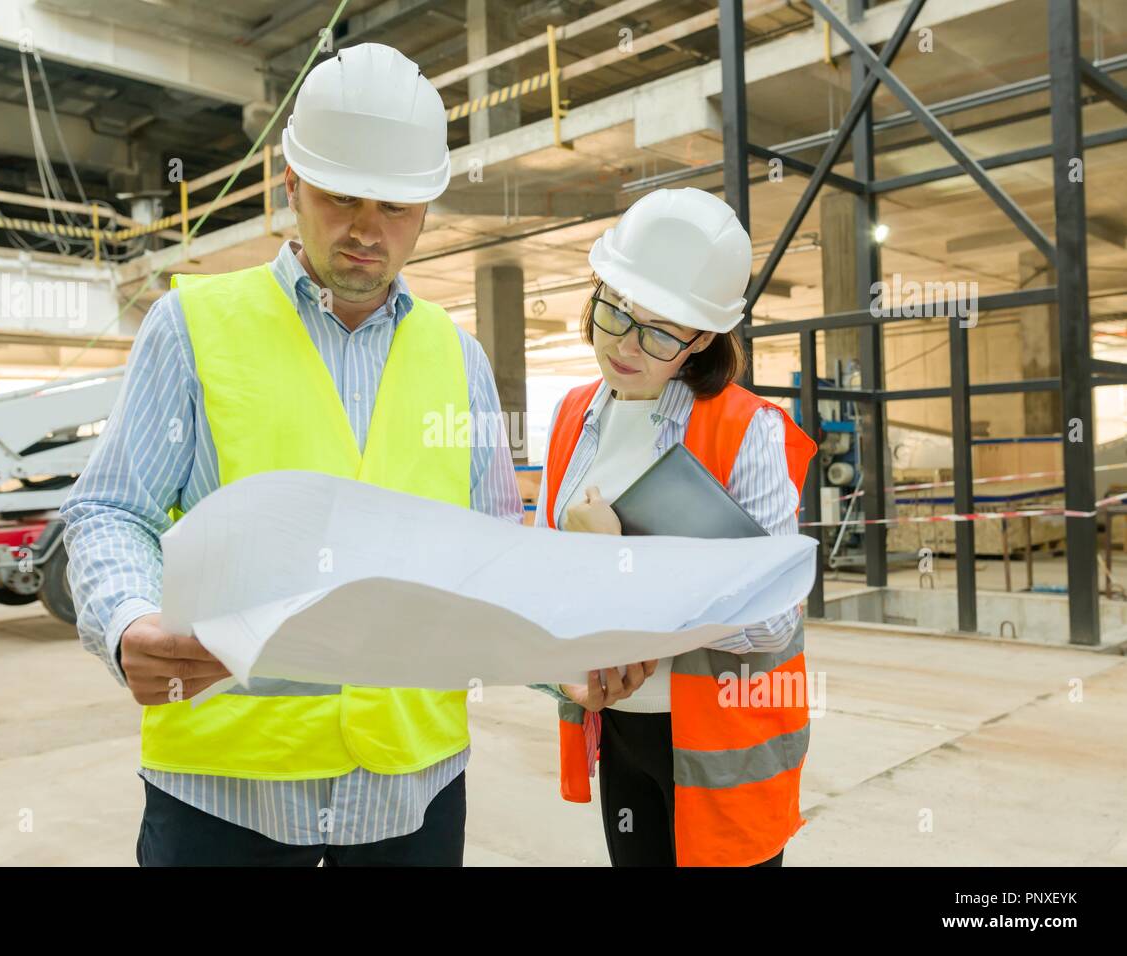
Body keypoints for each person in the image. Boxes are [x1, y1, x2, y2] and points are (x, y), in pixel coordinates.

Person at [61, 43, 523, 867]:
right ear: (290, 185)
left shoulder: (461, 361)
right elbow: (110, 511)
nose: (365, 232)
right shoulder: (190, 327)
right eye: (341, 197)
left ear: (426, 210)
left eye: (396, 208)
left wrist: (573, 660)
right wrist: (126, 621)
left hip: (411, 789)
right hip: (225, 789)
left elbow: (495, 558)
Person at [531, 187, 818, 867]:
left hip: (721, 749)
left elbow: (775, 620)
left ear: (703, 339)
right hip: (621, 734)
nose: (625, 345)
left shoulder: (748, 431)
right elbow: (543, 584)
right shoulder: (571, 414)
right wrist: (560, 671)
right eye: (615, 312)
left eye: (660, 331)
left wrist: (627, 566)